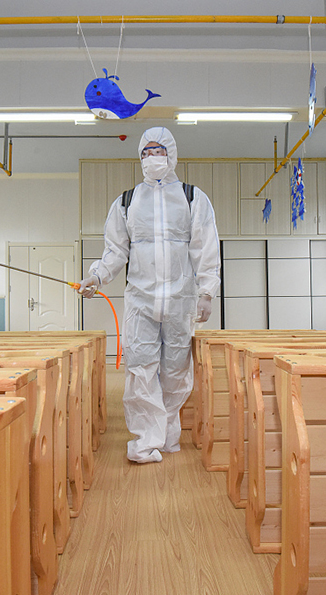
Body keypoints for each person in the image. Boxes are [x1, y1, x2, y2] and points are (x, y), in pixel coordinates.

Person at [77, 127, 221, 463]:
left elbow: (205, 247)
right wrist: (96, 277)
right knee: (140, 369)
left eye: (158, 151)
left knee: (175, 372)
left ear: (171, 155)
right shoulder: (127, 202)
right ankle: (145, 441)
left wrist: (207, 292)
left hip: (180, 300)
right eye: (145, 152)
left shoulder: (192, 198)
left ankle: (167, 436)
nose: (151, 158)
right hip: (141, 301)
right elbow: (115, 250)